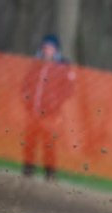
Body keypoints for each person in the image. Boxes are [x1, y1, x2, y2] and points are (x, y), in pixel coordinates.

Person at [20, 34, 75, 180]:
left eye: (50, 48)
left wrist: (55, 103)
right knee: (30, 141)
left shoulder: (62, 67)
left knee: (49, 143)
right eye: (45, 48)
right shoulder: (36, 65)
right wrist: (27, 102)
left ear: (56, 50)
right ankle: (28, 169)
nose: (47, 51)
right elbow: (26, 85)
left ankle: (50, 172)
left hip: (51, 113)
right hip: (33, 111)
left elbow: (68, 90)